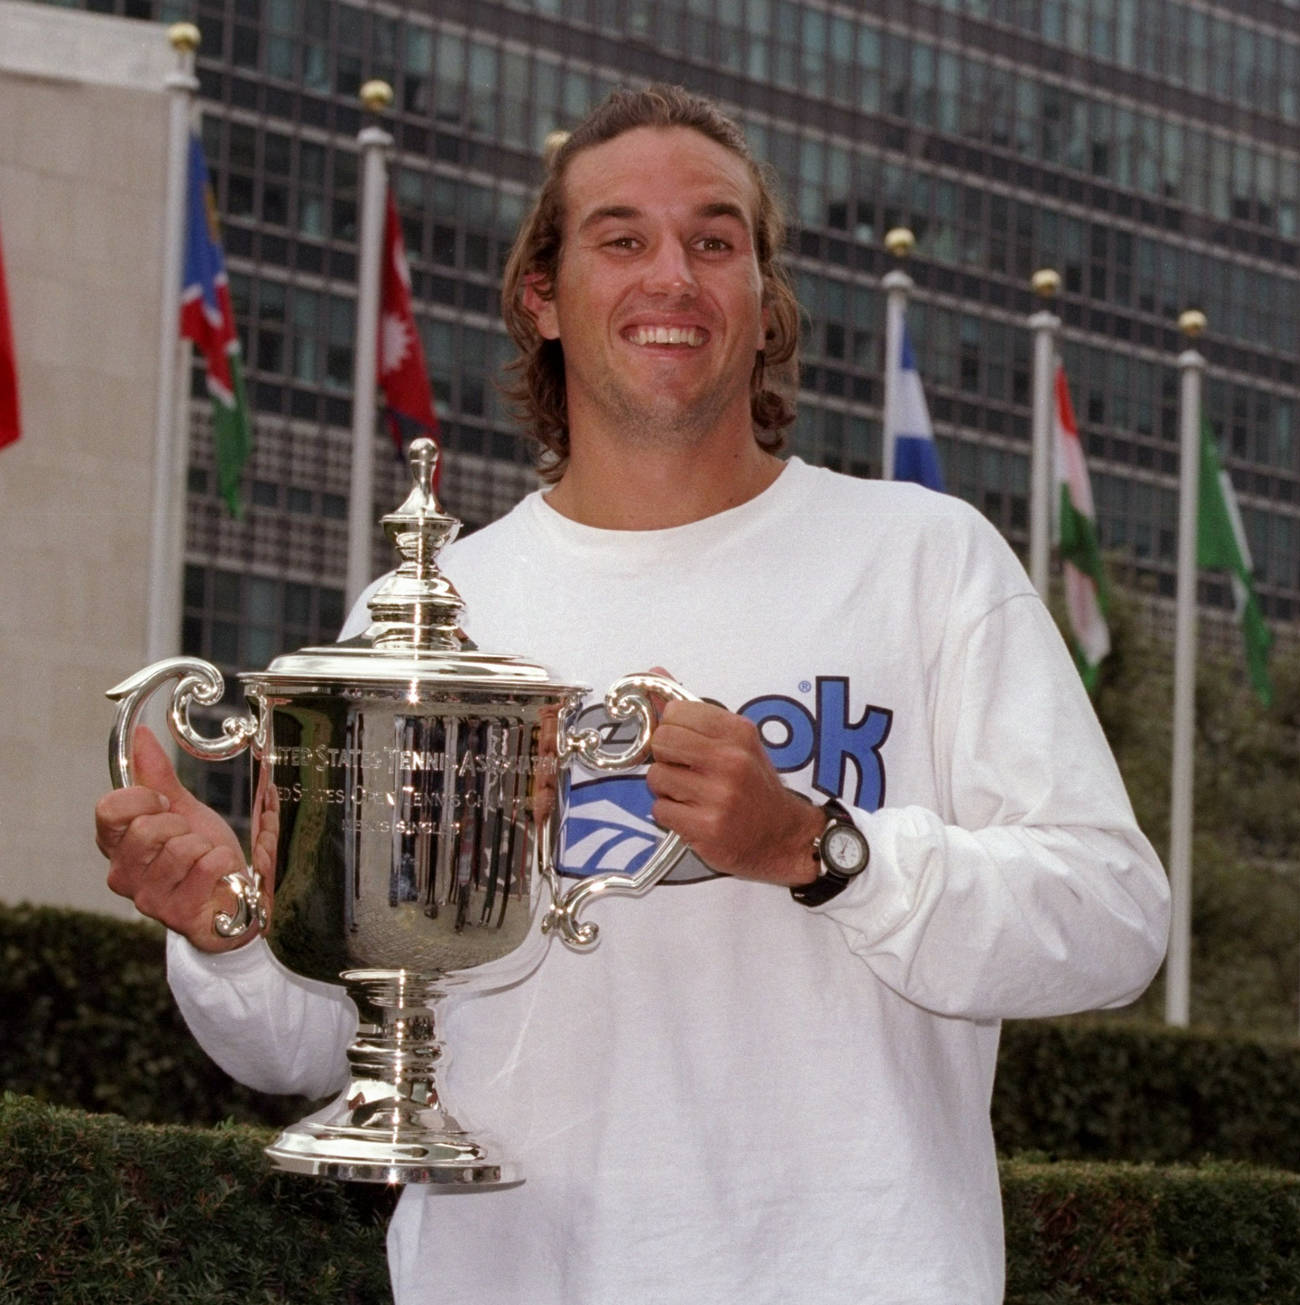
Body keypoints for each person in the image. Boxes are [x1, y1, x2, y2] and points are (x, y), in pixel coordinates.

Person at [94, 84, 1169, 1304]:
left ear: (765, 303)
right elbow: (315, 1044)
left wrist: (821, 850)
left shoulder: (924, 558)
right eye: (622, 239)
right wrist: (228, 927)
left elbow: (1113, 921)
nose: (674, 275)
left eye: (716, 241)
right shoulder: (439, 617)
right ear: (542, 299)